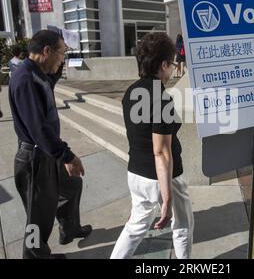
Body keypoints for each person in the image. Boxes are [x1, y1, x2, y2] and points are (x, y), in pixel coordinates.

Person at [8, 30, 92, 259]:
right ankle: (35, 256)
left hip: (47, 153)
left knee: (73, 185)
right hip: (34, 160)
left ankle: (70, 228)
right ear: (46, 51)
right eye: (61, 53)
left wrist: (59, 64)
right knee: (37, 219)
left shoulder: (38, 73)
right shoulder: (25, 78)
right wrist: (67, 156)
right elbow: (38, 129)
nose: (63, 58)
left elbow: (50, 81)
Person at [110, 32, 194, 259]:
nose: (172, 69)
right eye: (172, 63)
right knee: (182, 224)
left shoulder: (131, 92)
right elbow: (162, 152)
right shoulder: (161, 98)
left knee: (135, 226)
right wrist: (166, 199)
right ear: (164, 64)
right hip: (165, 177)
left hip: (136, 173)